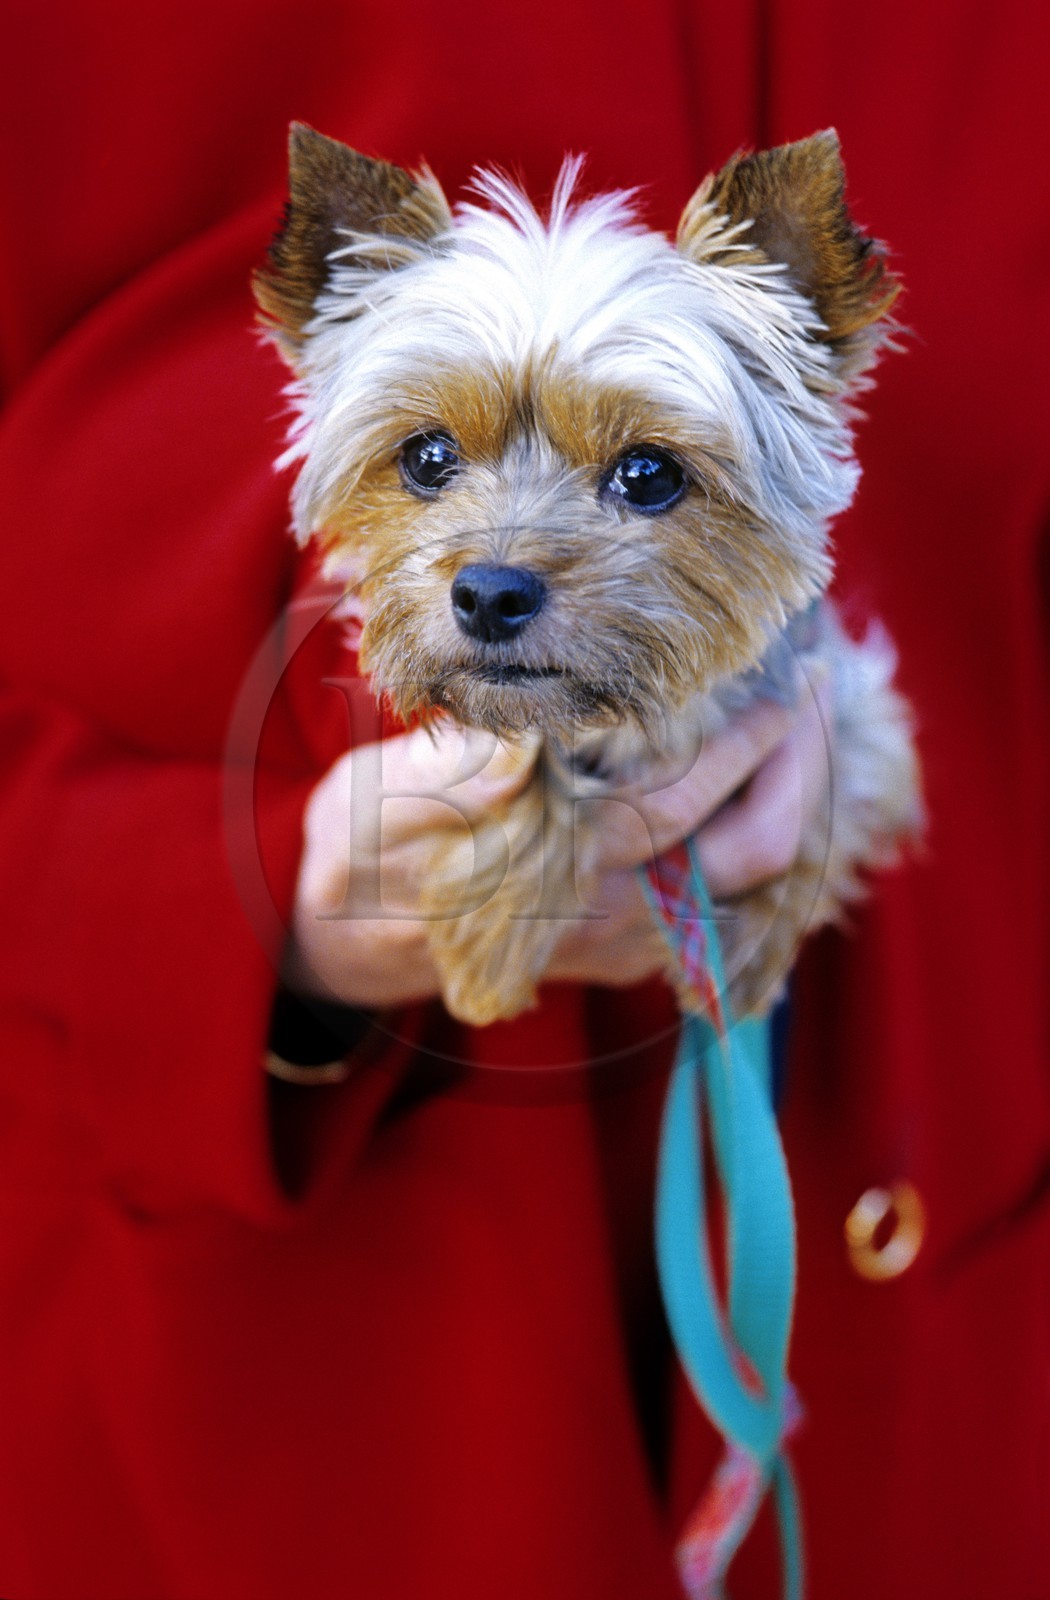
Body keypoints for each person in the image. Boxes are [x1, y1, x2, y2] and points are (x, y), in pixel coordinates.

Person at [0, 2, 1046, 1597]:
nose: (498, 561)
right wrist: (208, 905)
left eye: (642, 477)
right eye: (429, 465)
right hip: (289, 1319)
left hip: (931, 1234)